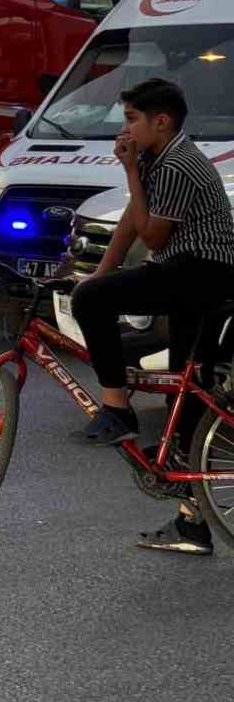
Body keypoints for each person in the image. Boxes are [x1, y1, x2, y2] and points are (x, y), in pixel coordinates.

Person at [69, 78, 234, 556]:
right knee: (187, 400)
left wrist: (130, 174)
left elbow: (154, 236)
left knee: (94, 305)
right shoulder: (154, 157)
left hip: (203, 273)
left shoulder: (179, 163)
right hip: (185, 273)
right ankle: (192, 524)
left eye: (131, 119)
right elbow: (129, 223)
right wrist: (98, 276)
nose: (124, 129)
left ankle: (117, 410)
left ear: (161, 122)